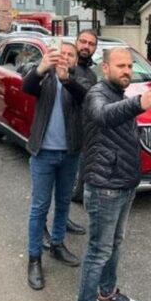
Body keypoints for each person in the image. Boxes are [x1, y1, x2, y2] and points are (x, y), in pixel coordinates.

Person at [76, 47, 151, 301]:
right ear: (105, 68)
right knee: (98, 251)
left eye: (129, 66)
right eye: (120, 66)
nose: (127, 71)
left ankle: (106, 295)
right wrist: (139, 103)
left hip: (124, 184)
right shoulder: (96, 94)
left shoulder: (119, 93)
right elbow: (103, 116)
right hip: (105, 187)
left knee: (113, 245)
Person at [23, 38, 98, 290]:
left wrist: (67, 79)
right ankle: (34, 259)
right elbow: (27, 86)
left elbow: (87, 98)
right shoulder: (43, 76)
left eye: (70, 54)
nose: (65, 57)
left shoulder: (82, 78)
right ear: (54, 55)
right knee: (40, 206)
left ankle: (56, 245)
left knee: (64, 202)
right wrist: (42, 67)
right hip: (43, 152)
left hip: (70, 153)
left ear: (76, 60)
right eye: (61, 53)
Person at [41, 30, 99, 249]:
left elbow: (89, 102)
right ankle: (44, 229)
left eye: (91, 44)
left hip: (76, 137)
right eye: (82, 42)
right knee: (44, 195)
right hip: (52, 139)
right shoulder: (54, 68)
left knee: (65, 190)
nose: (86, 46)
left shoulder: (91, 74)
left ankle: (61, 221)